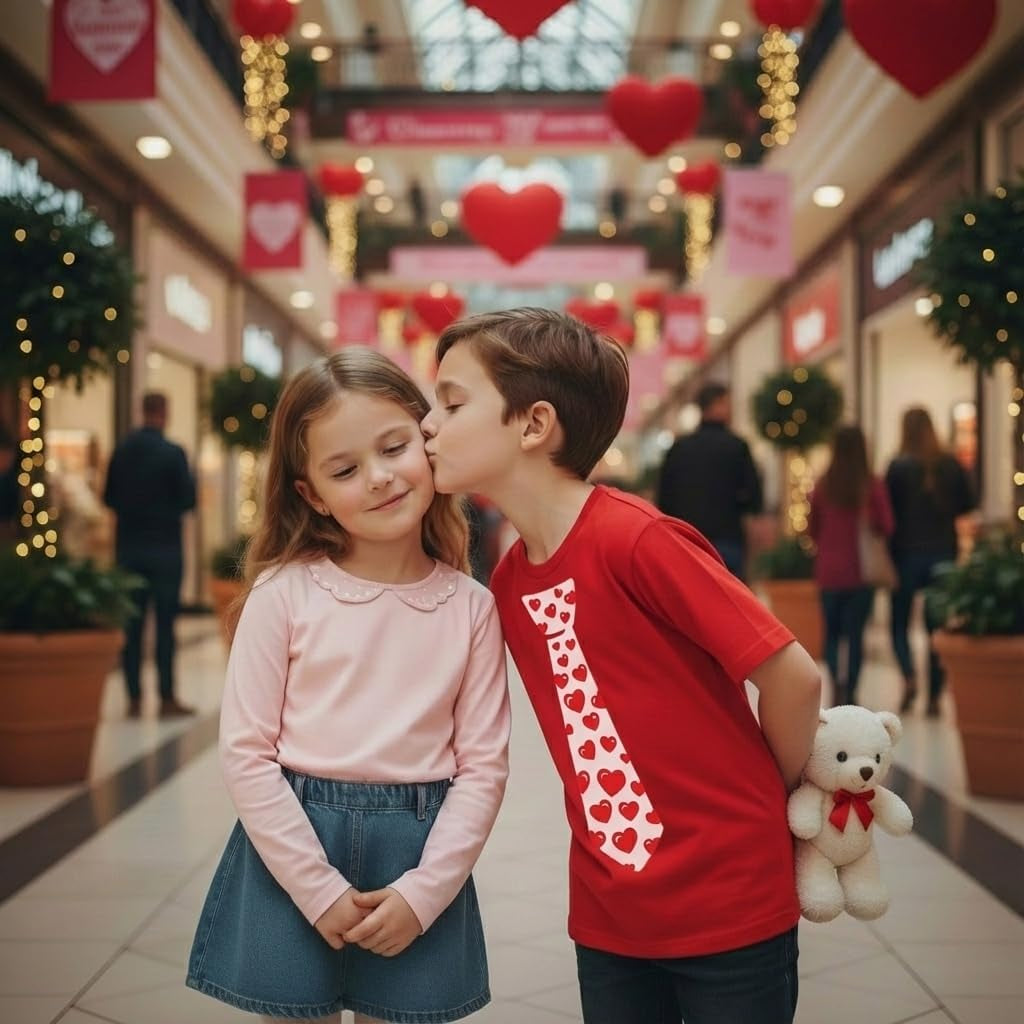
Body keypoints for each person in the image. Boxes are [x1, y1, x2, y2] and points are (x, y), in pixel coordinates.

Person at [422, 308, 821, 1024]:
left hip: (728, 893)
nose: (429, 425)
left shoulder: (637, 540)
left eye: (452, 404)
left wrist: (772, 807)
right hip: (611, 906)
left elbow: (792, 676)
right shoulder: (508, 581)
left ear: (534, 424)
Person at [186, 349, 510, 1024]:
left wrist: (424, 894)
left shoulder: (472, 607)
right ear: (312, 494)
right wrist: (316, 888)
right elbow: (246, 753)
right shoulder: (283, 593)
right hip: (291, 849)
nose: (379, 477)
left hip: (420, 856)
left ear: (427, 439)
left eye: (394, 448)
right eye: (344, 470)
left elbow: (483, 768)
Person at [103, 392, 196, 718]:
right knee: (165, 627)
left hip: (129, 550)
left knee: (132, 626)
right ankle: (167, 697)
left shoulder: (122, 451)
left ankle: (134, 698)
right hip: (166, 550)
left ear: (141, 411)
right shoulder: (173, 453)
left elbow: (108, 498)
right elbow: (188, 500)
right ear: (164, 412)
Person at [885, 406, 975, 716]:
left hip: (905, 554)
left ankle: (909, 675)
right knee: (936, 627)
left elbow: (887, 516)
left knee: (898, 623)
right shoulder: (949, 464)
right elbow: (967, 504)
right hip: (942, 553)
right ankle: (934, 696)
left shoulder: (897, 467)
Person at [808, 425, 894, 706]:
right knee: (855, 635)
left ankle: (836, 682)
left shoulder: (824, 484)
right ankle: (852, 688)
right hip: (860, 573)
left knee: (832, 634)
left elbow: (812, 528)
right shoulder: (870, 485)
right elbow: (887, 525)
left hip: (829, 572)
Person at [655, 381, 763, 580]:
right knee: (729, 595)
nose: (731, 410)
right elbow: (754, 496)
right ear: (717, 404)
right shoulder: (736, 446)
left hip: (686, 540)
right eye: (727, 403)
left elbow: (664, 498)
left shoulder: (679, 448)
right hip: (727, 539)